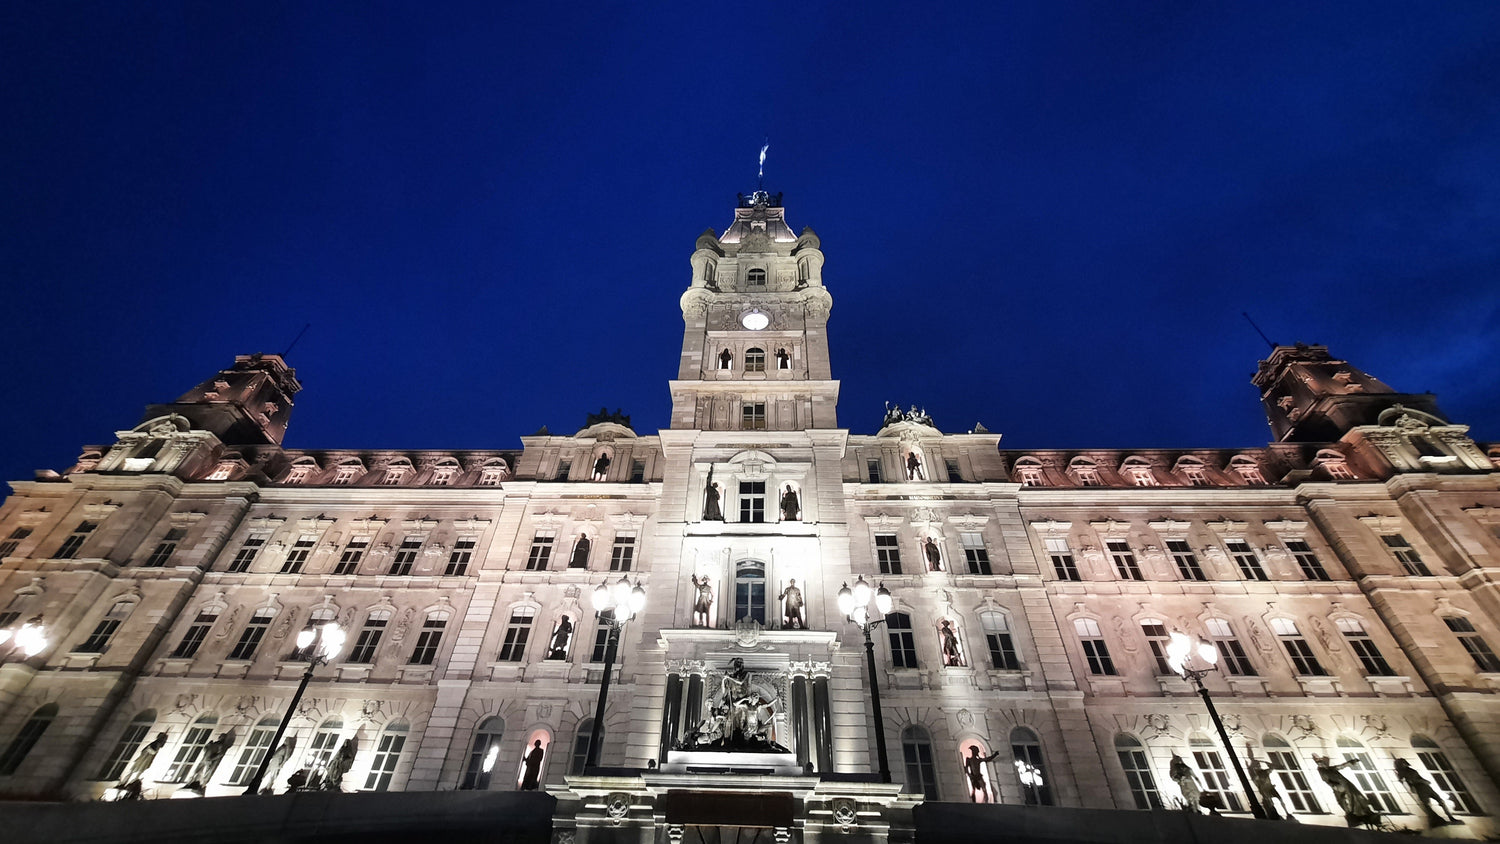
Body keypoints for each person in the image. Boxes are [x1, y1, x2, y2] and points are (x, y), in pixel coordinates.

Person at [1314, 754, 1380, 827]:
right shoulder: (1322, 770)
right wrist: (1335, 786)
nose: (1326, 763)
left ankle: (1367, 813)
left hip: (1347, 785)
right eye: (1325, 762)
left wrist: (1349, 762)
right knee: (1348, 802)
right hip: (1340, 788)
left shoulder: (1330, 768)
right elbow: (1326, 781)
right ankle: (1355, 817)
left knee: (1358, 797)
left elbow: (1340, 766)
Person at [1393, 757, 1460, 826]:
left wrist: (1424, 781)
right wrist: (1423, 781)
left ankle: (1450, 817)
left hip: (1427, 787)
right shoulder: (1402, 773)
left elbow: (1419, 777)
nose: (1405, 765)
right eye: (1403, 763)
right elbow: (1411, 781)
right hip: (1420, 789)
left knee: (1441, 801)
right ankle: (1435, 820)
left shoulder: (1412, 770)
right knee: (1427, 805)